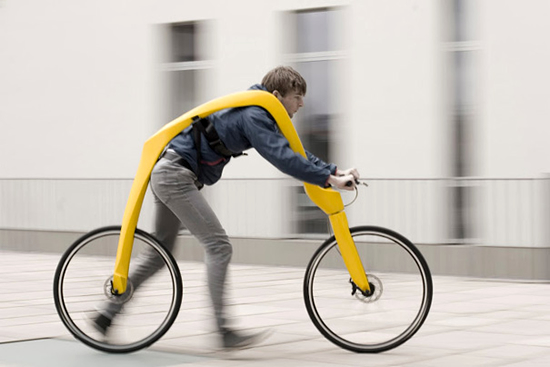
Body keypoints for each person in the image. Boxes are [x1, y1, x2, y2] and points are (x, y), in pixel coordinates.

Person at [90, 66, 360, 349]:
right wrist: (329, 179)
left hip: (171, 173)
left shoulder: (259, 111)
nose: (302, 103)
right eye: (297, 96)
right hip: (175, 177)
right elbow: (283, 158)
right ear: (277, 95)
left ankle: (106, 315)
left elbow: (294, 150)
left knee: (159, 255)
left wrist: (335, 171)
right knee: (219, 246)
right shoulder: (255, 114)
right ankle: (224, 331)